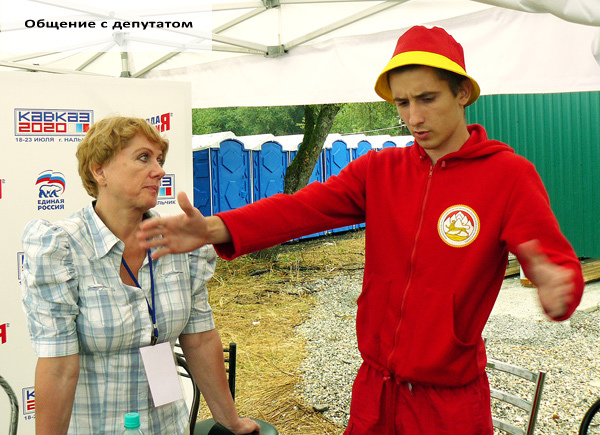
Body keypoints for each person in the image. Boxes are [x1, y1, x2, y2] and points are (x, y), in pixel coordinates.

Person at [137, 26, 584, 435]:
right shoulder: (380, 169)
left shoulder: (507, 175)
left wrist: (557, 282)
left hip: (450, 404)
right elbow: (302, 209)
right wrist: (215, 227)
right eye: (402, 103)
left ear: (462, 92)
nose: (414, 117)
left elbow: (555, 262)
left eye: (427, 98)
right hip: (375, 391)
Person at [21, 117, 260, 435]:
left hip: (167, 426)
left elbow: (200, 339)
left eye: (160, 160)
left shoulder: (177, 241)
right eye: (143, 157)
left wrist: (230, 421)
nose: (159, 170)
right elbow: (59, 367)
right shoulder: (62, 248)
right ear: (99, 171)